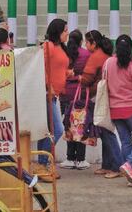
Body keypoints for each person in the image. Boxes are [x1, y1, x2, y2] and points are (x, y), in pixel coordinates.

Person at [105, 34, 132, 186]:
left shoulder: (109, 63)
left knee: (125, 141)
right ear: (131, 48)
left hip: (115, 109)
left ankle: (131, 174)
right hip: (131, 108)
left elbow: (105, 83)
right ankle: (130, 164)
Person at [80, 30, 121, 178]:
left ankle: (117, 166)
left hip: (97, 98)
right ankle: (107, 165)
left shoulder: (95, 57)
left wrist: (76, 77)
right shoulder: (106, 56)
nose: (85, 45)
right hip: (106, 96)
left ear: (93, 43)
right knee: (105, 131)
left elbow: (86, 79)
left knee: (107, 132)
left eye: (87, 42)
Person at [37, 18, 70, 178]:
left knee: (47, 131)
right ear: (58, 32)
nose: (67, 33)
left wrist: (67, 74)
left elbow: (58, 67)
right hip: (46, 95)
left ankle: (41, 164)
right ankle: (42, 164)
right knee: (57, 130)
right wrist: (47, 85)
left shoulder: (59, 47)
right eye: (65, 30)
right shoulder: (48, 46)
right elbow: (40, 67)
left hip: (55, 95)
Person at [60, 29, 91, 170]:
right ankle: (81, 159)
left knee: (68, 123)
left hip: (66, 92)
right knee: (80, 124)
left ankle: (70, 158)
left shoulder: (64, 53)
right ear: (81, 41)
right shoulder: (86, 54)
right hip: (81, 93)